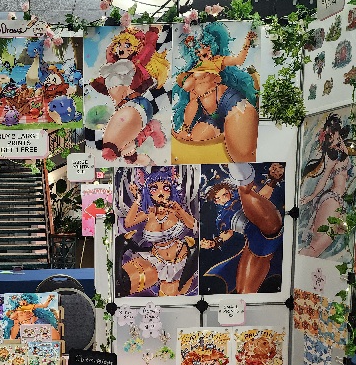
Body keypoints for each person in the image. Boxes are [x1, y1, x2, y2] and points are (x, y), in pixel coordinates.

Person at [173, 22, 258, 163]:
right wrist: (186, 129)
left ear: (211, 46)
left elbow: (238, 60)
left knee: (242, 153)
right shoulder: (193, 70)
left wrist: (247, 43)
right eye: (197, 50)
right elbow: (193, 103)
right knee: (194, 142)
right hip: (211, 115)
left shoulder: (217, 61)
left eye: (204, 46)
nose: (201, 52)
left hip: (230, 102)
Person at [89, 26, 170, 164]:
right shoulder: (112, 67)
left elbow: (148, 48)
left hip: (136, 104)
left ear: (135, 48)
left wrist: (153, 31)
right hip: (122, 109)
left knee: (111, 150)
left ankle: (150, 128)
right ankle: (150, 132)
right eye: (119, 45)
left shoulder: (134, 65)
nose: (122, 49)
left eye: (127, 45)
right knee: (128, 156)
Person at [200, 163, 283, 293]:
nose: (222, 199)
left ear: (229, 192)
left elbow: (262, 199)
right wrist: (215, 242)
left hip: (266, 223)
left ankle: (247, 179)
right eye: (218, 198)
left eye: (224, 195)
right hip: (256, 243)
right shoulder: (221, 219)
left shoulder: (240, 199)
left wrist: (272, 182)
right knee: (244, 291)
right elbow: (227, 233)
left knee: (247, 194)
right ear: (215, 201)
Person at [120, 168, 198, 296]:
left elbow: (193, 225)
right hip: (157, 261)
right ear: (148, 191)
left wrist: (179, 210)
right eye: (154, 189)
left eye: (166, 188)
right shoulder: (149, 213)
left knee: (177, 297)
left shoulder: (174, 210)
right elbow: (128, 223)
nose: (160, 193)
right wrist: (138, 199)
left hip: (181, 259)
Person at [299, 113, 352, 258]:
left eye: (333, 132)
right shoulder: (332, 155)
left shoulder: (341, 148)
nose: (332, 136)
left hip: (337, 201)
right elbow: (323, 179)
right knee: (315, 248)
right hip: (332, 200)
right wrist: (311, 196)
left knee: (317, 248)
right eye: (330, 133)